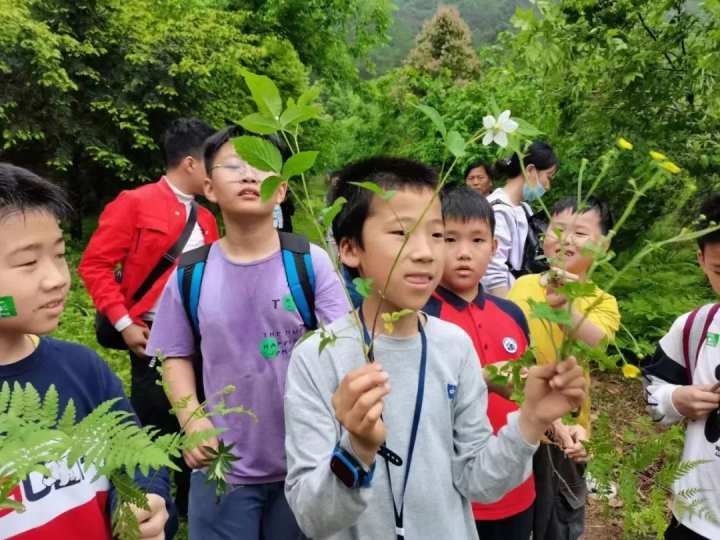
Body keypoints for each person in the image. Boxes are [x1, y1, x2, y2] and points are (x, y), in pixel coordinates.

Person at [283, 156, 587, 540]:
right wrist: (355, 449)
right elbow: (313, 518)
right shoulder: (317, 359)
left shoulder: (453, 347)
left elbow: (479, 482)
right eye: (401, 233)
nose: (427, 252)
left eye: (436, 235)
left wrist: (531, 420)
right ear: (349, 249)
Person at [146, 126, 350, 540]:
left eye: (262, 166)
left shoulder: (309, 264)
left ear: (282, 190)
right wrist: (192, 420)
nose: (248, 175)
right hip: (223, 466)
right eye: (233, 165)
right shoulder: (191, 273)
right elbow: (175, 356)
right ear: (208, 187)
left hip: (304, 461)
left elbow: (344, 350)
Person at [0, 163, 173, 539]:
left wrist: (147, 501)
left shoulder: (83, 369)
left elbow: (137, 457)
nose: (58, 278)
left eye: (60, 255)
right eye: (28, 262)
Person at [78, 118, 218, 517]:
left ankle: (196, 507)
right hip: (150, 337)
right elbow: (96, 265)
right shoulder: (134, 203)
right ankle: (156, 509)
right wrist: (124, 325)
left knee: (200, 420)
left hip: (200, 340)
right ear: (191, 163)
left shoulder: (206, 218)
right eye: (212, 162)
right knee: (155, 428)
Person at [423, 185, 535, 539]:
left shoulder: (513, 314)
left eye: (477, 240)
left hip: (518, 488)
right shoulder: (419, 318)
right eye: (449, 239)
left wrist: (557, 424)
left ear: (494, 247)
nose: (463, 253)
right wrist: (481, 379)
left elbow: (526, 393)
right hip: (449, 496)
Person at [508, 196, 620, 540]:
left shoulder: (602, 300)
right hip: (514, 420)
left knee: (558, 521)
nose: (567, 239)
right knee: (513, 513)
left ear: (604, 245)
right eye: (558, 230)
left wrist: (567, 303)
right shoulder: (522, 286)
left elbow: (594, 341)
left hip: (566, 436)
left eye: (581, 233)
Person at [643, 193, 720, 540]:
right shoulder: (694, 328)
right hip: (694, 520)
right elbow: (651, 395)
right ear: (701, 260)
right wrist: (675, 400)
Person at [483, 141, 558, 297]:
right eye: (548, 177)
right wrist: (510, 312)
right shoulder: (498, 211)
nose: (548, 186)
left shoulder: (523, 208)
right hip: (505, 301)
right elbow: (492, 270)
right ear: (530, 170)